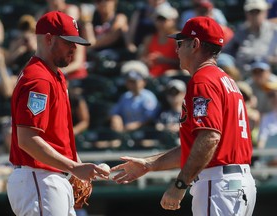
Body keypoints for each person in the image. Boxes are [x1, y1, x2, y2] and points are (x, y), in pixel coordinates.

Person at [111, 17, 257, 215]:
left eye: (180, 43)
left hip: (218, 184)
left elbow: (209, 138)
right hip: (236, 183)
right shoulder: (225, 80)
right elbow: (199, 145)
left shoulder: (203, 80)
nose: (176, 49)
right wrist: (150, 164)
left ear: (195, 44)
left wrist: (180, 185)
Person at [6, 11, 110, 216]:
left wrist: (76, 167)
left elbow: (58, 135)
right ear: (48, 38)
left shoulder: (55, 75)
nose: (74, 48)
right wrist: (73, 167)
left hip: (48, 178)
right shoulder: (39, 79)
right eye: (68, 42)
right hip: (39, 178)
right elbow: (27, 140)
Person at [223, 0, 277, 77]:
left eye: (257, 11)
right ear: (246, 14)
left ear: (265, 12)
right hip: (243, 74)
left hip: (267, 73)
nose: (254, 15)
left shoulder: (274, 30)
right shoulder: (241, 30)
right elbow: (227, 51)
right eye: (251, 12)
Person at [109, 60, 160, 133]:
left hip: (144, 133)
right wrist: (115, 118)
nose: (131, 84)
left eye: (134, 81)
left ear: (143, 81)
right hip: (126, 132)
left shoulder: (148, 97)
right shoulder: (125, 96)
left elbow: (150, 118)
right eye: (129, 81)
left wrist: (137, 125)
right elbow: (115, 112)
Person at [138, 4, 180, 77]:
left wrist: (164, 60)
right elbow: (141, 59)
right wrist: (147, 61)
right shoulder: (149, 39)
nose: (160, 22)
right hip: (151, 76)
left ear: (173, 21)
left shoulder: (178, 38)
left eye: (163, 19)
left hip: (172, 77)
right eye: (158, 19)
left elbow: (185, 63)